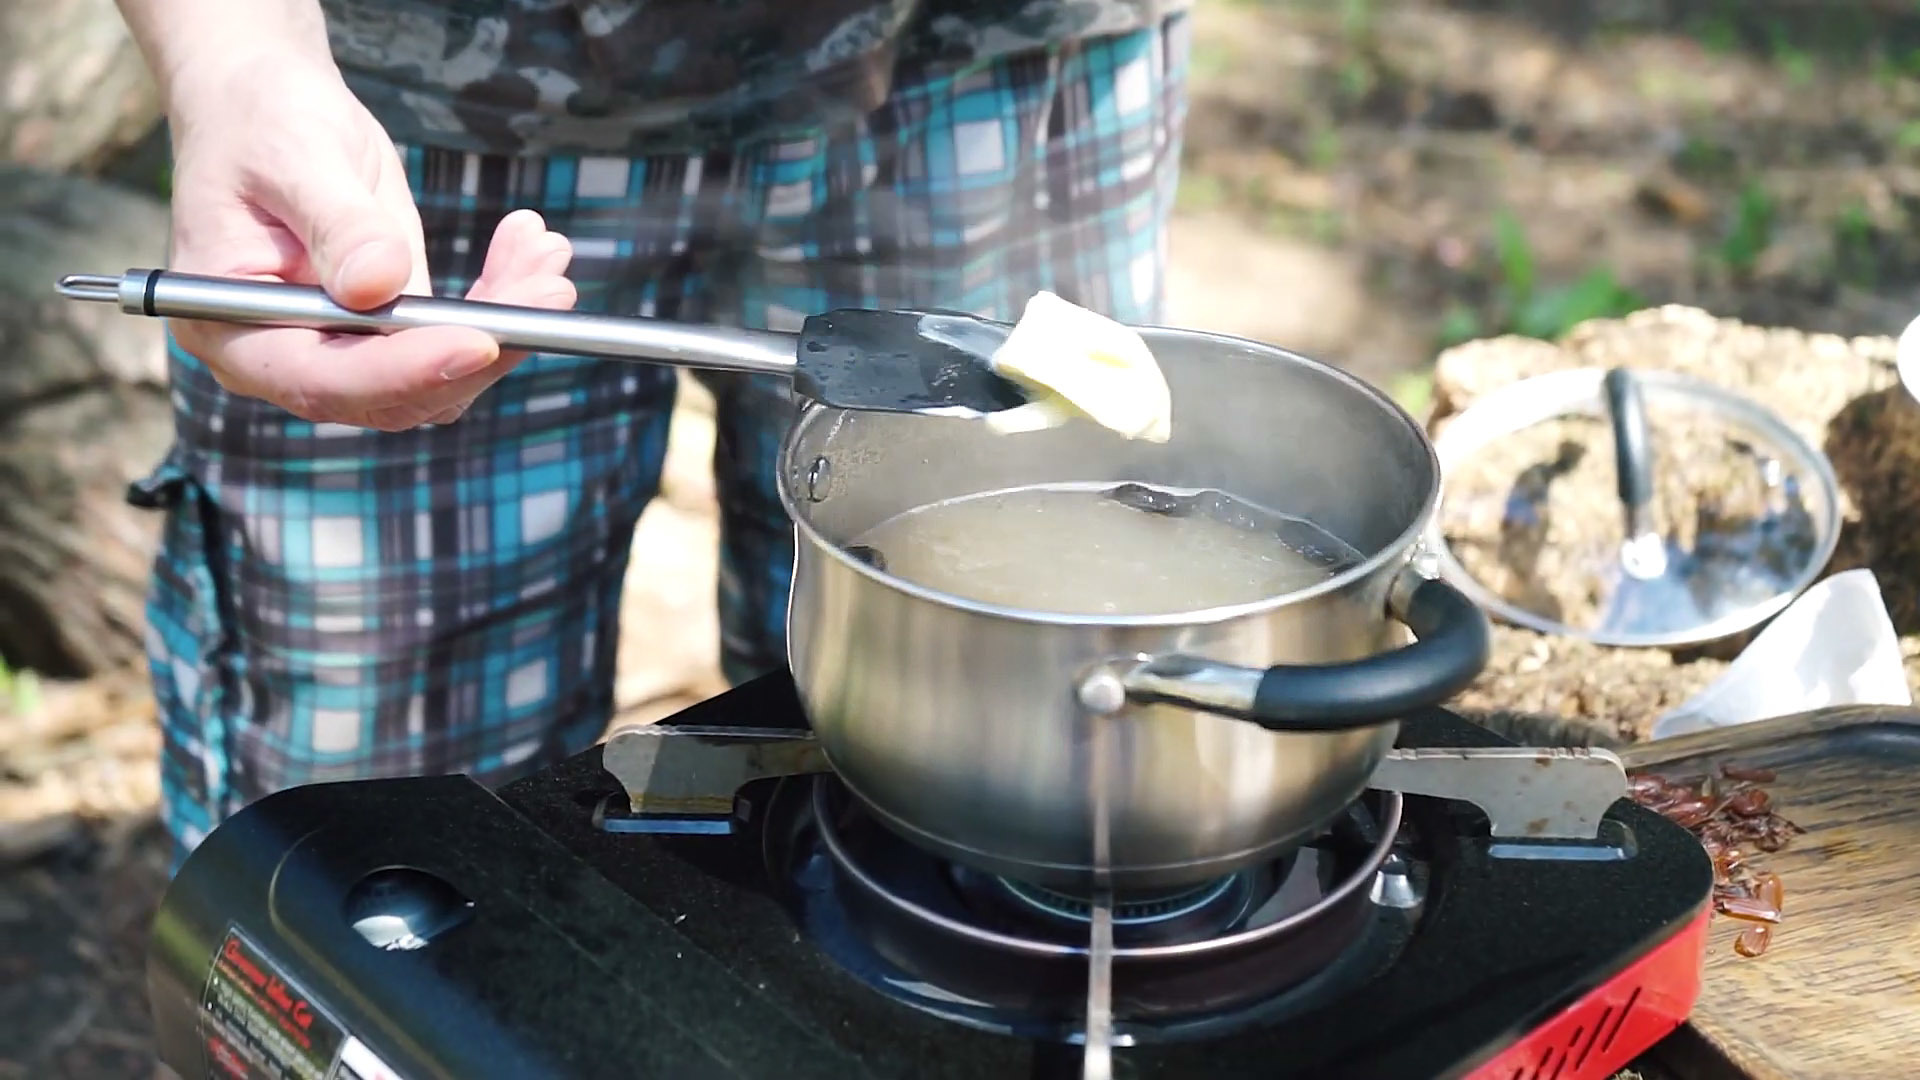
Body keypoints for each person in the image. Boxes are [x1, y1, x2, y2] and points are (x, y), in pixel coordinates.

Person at [110, 0, 1193, 870]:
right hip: (419, 96)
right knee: (370, 871)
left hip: (992, 58)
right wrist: (236, 53)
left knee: (992, 789)